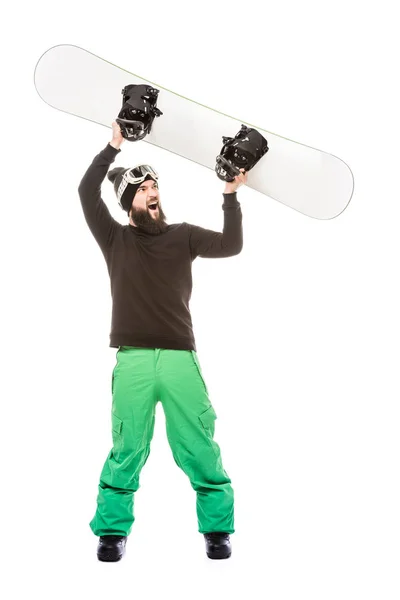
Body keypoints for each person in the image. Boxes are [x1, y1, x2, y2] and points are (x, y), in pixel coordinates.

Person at [78, 121, 247, 562]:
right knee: (127, 446)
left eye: (155, 185)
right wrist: (114, 145)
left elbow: (231, 245)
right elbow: (85, 191)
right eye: (143, 188)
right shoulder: (115, 237)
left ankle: (217, 530)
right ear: (127, 202)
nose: (152, 190)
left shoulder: (183, 236)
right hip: (132, 359)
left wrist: (229, 196)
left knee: (198, 444)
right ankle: (112, 532)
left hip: (178, 358)